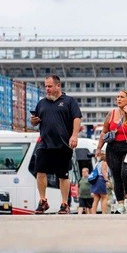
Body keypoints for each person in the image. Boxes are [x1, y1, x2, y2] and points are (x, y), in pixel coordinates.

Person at [30, 74, 82, 214]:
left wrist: (74, 136)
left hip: (63, 144)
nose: (47, 89)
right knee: (40, 172)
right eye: (45, 86)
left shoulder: (69, 101)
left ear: (58, 86)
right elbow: (35, 122)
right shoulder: (41, 103)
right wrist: (33, 121)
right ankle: (43, 201)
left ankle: (64, 204)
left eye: (50, 86)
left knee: (63, 176)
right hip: (44, 144)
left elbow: (77, 119)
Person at [97, 90, 127, 214]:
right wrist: (99, 148)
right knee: (116, 176)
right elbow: (104, 132)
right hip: (113, 148)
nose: (119, 99)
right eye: (117, 97)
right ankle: (120, 204)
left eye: (122, 97)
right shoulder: (112, 113)